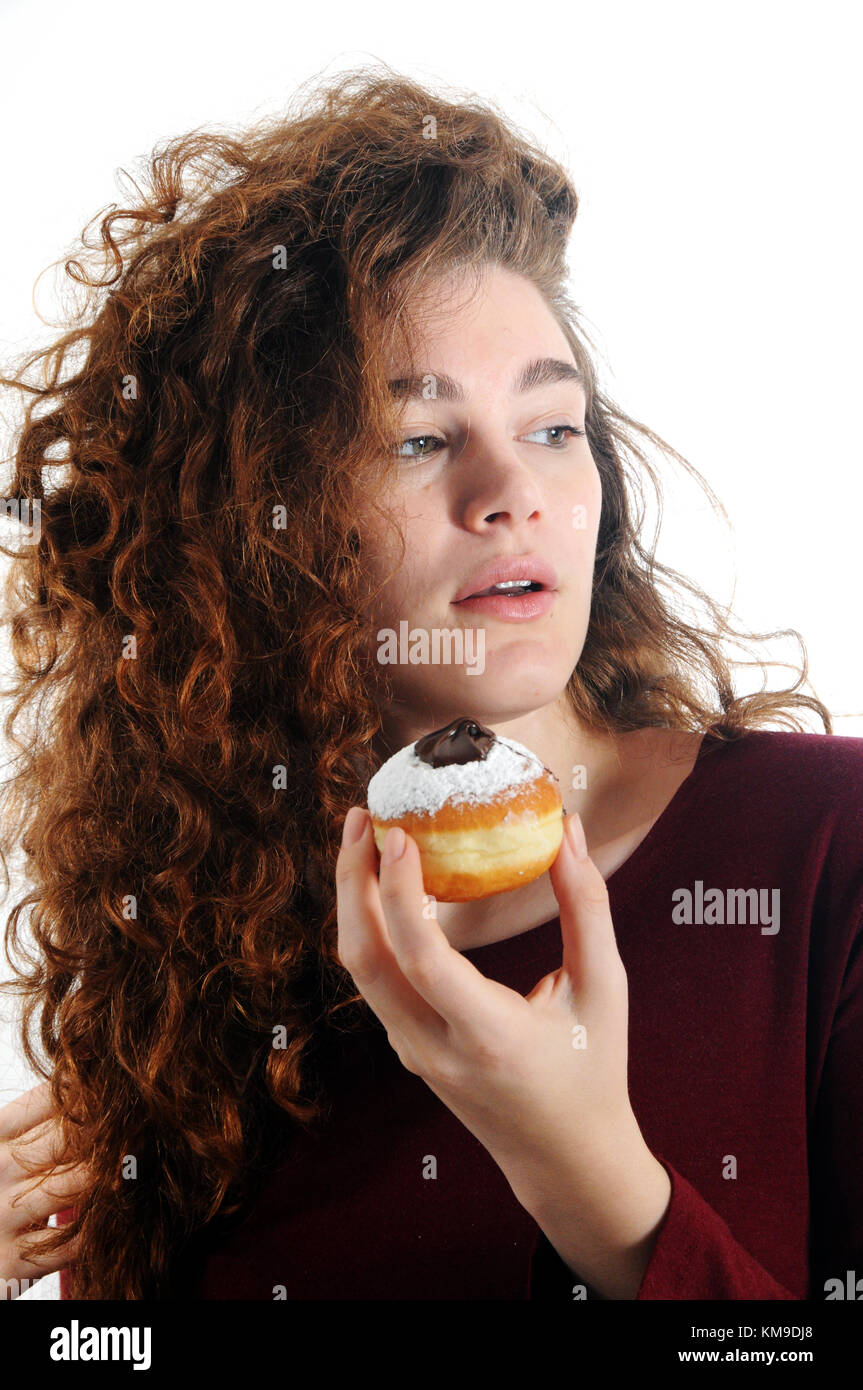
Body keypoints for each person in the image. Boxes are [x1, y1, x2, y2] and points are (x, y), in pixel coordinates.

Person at [0, 65, 859, 1302]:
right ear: (257, 528)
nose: (511, 490)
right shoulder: (188, 979)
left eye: (552, 426)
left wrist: (596, 1183)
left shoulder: (823, 851)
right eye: (417, 439)